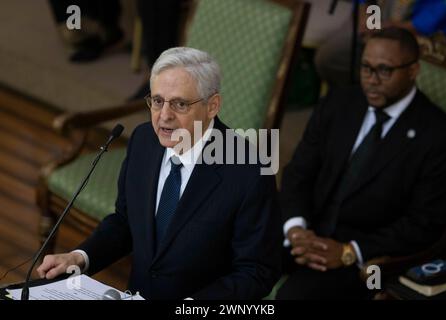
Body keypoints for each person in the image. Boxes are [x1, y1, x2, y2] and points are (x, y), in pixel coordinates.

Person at [37, 47, 282, 299]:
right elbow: (125, 221)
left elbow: (256, 271)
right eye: (157, 101)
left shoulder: (250, 172)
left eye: (180, 104)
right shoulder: (143, 140)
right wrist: (80, 257)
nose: (164, 116)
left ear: (212, 106)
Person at [277, 27, 446, 299]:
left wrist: (349, 252)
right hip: (305, 232)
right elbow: (299, 171)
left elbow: (423, 224)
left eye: (384, 70)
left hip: (365, 258)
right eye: (366, 68)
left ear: (413, 70)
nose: (371, 80)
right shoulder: (338, 102)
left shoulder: (438, 135)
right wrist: (296, 228)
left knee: (294, 296)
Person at [315, 0, 446, 86]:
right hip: (377, 22)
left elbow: (431, 19)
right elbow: (366, 4)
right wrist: (371, 21)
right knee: (329, 57)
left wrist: (387, 28)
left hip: (425, 38)